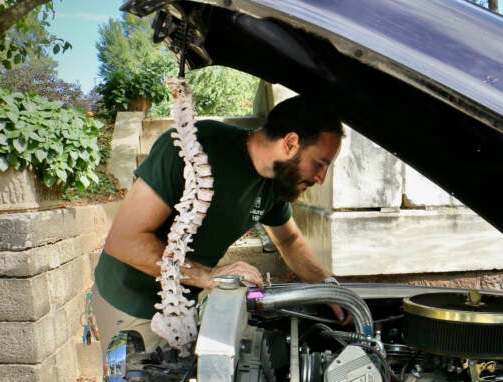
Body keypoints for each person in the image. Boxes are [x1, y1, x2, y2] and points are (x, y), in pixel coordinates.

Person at [91, 94, 345, 351]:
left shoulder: (276, 183)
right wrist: (210, 276)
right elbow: (123, 241)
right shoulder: (196, 147)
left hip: (186, 305)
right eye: (319, 163)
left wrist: (328, 287)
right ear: (290, 143)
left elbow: (289, 240)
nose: (321, 178)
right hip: (130, 302)